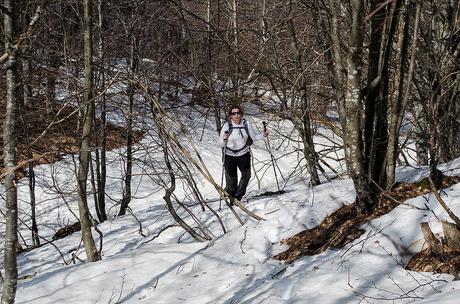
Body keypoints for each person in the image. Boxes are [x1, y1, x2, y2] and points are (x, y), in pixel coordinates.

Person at [217, 105, 268, 203]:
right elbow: (219, 144)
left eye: (238, 113)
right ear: (230, 116)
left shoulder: (246, 124)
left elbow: (254, 137)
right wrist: (224, 139)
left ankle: (238, 196)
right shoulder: (227, 125)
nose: (236, 115)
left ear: (241, 114)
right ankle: (232, 198)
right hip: (229, 155)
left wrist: (263, 135)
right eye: (233, 113)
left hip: (243, 154)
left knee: (246, 175)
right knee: (232, 179)